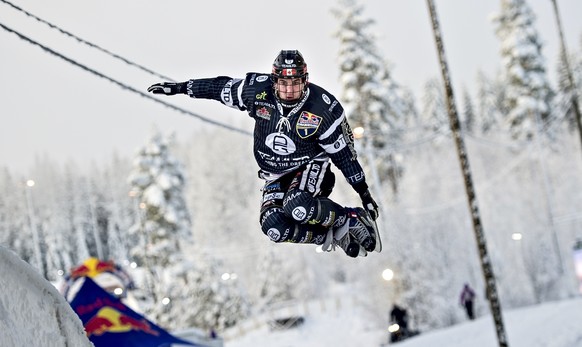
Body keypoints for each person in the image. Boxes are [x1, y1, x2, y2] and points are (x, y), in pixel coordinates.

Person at [147, 50, 380, 257]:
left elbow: (344, 156)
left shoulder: (323, 108)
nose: (289, 90)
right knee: (274, 227)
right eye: (283, 84)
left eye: (295, 83)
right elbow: (219, 88)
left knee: (296, 205)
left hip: (309, 165)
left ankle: (349, 218)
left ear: (305, 81)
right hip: (273, 176)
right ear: (273, 80)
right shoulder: (256, 91)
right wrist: (179, 88)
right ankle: (332, 236)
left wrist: (365, 194)